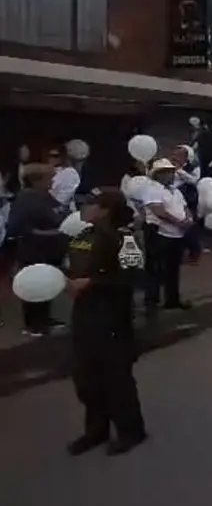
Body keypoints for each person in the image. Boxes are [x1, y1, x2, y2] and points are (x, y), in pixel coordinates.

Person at [65, 187, 147, 456]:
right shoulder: (83, 234)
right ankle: (95, 430)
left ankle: (131, 431)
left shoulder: (123, 238)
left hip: (112, 318)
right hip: (83, 315)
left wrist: (93, 282)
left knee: (116, 378)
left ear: (105, 209)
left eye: (91, 204)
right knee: (85, 377)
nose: (85, 208)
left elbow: (133, 277)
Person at [7, 163, 68, 336]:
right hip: (33, 250)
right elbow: (16, 227)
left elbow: (58, 214)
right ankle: (33, 325)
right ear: (36, 181)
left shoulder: (45, 197)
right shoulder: (25, 199)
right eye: (49, 178)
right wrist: (46, 233)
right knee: (34, 285)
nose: (53, 182)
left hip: (49, 250)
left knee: (46, 284)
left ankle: (45, 319)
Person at [141, 159, 193, 313]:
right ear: (158, 174)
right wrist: (179, 222)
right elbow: (158, 211)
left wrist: (188, 219)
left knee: (173, 268)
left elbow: (185, 207)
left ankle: (172, 299)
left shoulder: (175, 190)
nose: (171, 175)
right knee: (155, 268)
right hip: (158, 232)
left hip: (176, 234)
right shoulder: (152, 189)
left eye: (171, 171)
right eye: (167, 172)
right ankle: (151, 302)